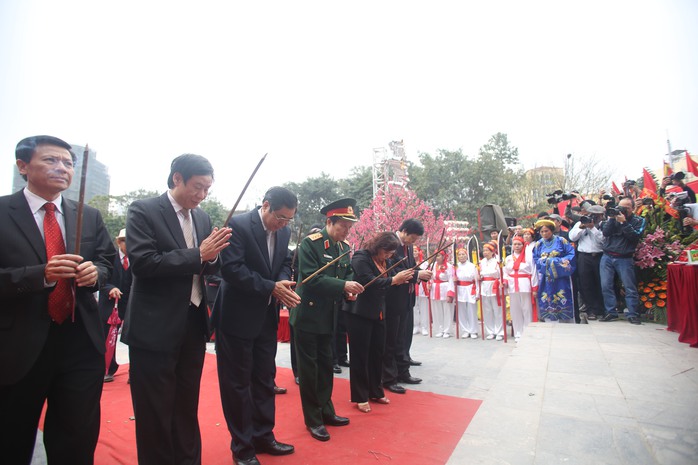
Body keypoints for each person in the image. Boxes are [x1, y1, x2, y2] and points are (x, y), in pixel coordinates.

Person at [0, 135, 115, 464]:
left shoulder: (89, 215)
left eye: (68, 162)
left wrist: (96, 274)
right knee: (12, 437)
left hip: (79, 339)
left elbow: (108, 264)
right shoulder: (2, 211)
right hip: (18, 346)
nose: (61, 168)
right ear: (23, 166)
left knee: (76, 438)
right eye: (51, 160)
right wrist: (42, 275)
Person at [122, 154, 232, 465]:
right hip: (153, 327)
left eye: (207, 189)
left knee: (186, 403)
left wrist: (212, 256)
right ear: (176, 179)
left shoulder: (202, 218)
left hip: (193, 324)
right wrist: (199, 253)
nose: (202, 195)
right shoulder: (143, 210)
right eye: (197, 187)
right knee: (154, 408)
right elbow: (143, 263)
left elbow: (210, 265)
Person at [211, 186, 300, 465]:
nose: (283, 224)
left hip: (265, 316)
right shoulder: (238, 225)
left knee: (264, 378)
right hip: (236, 317)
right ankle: (242, 447)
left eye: (289, 220)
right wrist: (271, 287)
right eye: (280, 218)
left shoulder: (283, 231)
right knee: (237, 384)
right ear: (265, 206)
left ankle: (264, 435)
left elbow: (285, 261)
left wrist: (283, 280)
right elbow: (231, 269)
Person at [290, 198, 364, 442]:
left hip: (329, 316)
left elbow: (348, 272)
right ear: (329, 222)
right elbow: (310, 278)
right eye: (343, 226)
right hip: (308, 316)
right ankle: (313, 419)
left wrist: (349, 289)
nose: (346, 231)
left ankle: (326, 410)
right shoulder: (310, 245)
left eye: (349, 228)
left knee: (326, 367)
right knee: (309, 371)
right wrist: (343, 285)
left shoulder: (343, 248)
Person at [342, 232, 414, 413]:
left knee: (377, 353)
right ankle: (360, 396)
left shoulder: (386, 260)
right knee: (360, 355)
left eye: (391, 253)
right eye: (387, 252)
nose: (389, 256)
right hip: (359, 312)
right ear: (378, 247)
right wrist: (393, 280)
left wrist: (404, 277)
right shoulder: (361, 257)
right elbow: (367, 282)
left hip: (379, 312)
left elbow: (394, 274)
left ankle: (376, 390)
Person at [382, 219, 432, 394]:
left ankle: (403, 371)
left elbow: (409, 268)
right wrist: (418, 275)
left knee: (403, 337)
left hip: (407, 297)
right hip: (393, 298)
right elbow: (392, 271)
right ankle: (389, 377)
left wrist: (420, 274)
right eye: (412, 237)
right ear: (403, 231)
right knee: (391, 339)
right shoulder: (390, 243)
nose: (413, 242)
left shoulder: (408, 246)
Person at [598, 197, 646, 325]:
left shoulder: (638, 220)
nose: (623, 210)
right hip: (607, 256)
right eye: (621, 207)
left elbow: (635, 237)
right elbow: (606, 233)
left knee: (629, 286)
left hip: (625, 257)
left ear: (633, 208)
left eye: (626, 207)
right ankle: (610, 312)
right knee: (606, 285)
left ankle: (632, 314)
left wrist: (624, 223)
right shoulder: (612, 218)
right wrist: (613, 219)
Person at [99, 228, 133, 382]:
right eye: (125, 240)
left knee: (135, 336)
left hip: (132, 303)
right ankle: (107, 368)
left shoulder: (138, 257)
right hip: (111, 303)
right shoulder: (110, 257)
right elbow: (101, 277)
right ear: (118, 242)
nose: (129, 243)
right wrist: (110, 288)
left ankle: (136, 370)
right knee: (108, 337)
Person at [532, 219, 576, 323]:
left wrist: (556, 262)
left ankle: (566, 320)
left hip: (561, 276)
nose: (544, 234)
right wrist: (545, 263)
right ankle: (549, 320)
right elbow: (536, 259)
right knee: (547, 296)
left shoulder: (561, 241)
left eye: (546, 231)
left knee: (563, 294)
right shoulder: (538, 244)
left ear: (552, 231)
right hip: (547, 277)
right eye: (542, 232)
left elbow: (571, 254)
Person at [568, 205, 605, 320]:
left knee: (601, 282)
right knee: (585, 284)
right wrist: (582, 227)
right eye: (590, 214)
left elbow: (603, 241)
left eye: (596, 215)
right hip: (584, 256)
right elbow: (572, 237)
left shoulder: (604, 224)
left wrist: (593, 228)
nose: (592, 217)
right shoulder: (580, 223)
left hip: (599, 256)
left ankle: (601, 309)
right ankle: (591, 310)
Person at [503, 236, 538, 342]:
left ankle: (528, 332)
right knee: (515, 309)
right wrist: (504, 282)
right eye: (515, 244)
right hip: (513, 285)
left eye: (519, 244)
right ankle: (518, 332)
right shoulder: (508, 258)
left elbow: (534, 272)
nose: (517, 246)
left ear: (523, 245)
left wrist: (534, 287)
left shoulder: (528, 257)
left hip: (525, 284)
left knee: (527, 309)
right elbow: (505, 272)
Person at [479, 242, 503, 340]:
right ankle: (490, 331)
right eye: (484, 250)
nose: (485, 252)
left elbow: (499, 274)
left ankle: (499, 331)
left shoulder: (497, 261)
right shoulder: (481, 262)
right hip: (484, 286)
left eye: (487, 250)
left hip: (494, 286)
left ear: (492, 252)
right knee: (487, 310)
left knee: (497, 310)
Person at [454, 247, 480, 339]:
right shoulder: (455, 266)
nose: (461, 256)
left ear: (467, 255)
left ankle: (473, 330)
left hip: (470, 288)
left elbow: (476, 280)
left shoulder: (472, 266)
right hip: (460, 288)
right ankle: (465, 330)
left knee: (471, 310)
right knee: (461, 310)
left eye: (463, 254)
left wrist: (477, 292)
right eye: (459, 254)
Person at [430, 251, 455, 338]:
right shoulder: (432, 266)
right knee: (436, 311)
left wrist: (450, 293)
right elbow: (430, 277)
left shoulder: (449, 266)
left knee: (447, 310)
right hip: (435, 289)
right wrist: (429, 284)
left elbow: (451, 279)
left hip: (445, 288)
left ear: (444, 257)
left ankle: (447, 330)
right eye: (436, 256)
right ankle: (439, 329)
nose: (437, 257)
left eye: (439, 255)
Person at [412, 245, 430, 336]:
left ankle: (424, 327)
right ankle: (416, 326)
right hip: (413, 286)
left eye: (416, 251)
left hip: (422, 287)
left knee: (424, 308)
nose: (414, 253)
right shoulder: (409, 262)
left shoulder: (424, 263)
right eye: (413, 251)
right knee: (414, 307)